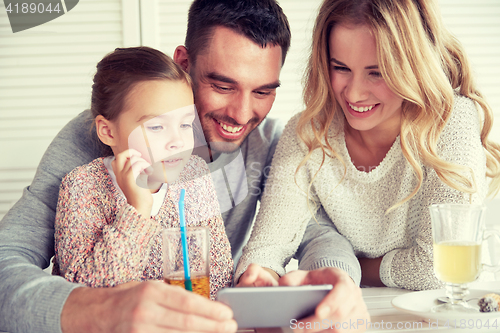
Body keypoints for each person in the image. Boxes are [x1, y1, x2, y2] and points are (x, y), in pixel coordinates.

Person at [0, 1, 368, 332]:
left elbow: (318, 233)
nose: (241, 115)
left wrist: (339, 282)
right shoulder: (100, 139)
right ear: (184, 63)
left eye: (262, 91)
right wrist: (98, 309)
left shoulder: (270, 143)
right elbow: (7, 260)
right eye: (223, 86)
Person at [236, 0, 500, 292]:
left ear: (413, 66)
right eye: (341, 68)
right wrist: (258, 278)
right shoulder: (308, 133)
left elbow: (437, 270)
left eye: (377, 72)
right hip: (355, 311)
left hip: (451, 308)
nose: (354, 93)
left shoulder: (451, 121)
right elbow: (264, 251)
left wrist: (348, 270)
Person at [52, 47, 233, 300]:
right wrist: (137, 211)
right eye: (157, 126)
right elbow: (84, 294)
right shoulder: (83, 186)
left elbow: (220, 273)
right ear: (108, 131)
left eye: (184, 124)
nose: (177, 142)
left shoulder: (195, 175)